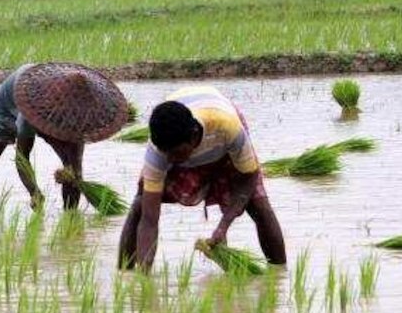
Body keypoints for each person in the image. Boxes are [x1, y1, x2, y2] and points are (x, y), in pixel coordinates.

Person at [118, 86, 287, 271]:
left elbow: (249, 176)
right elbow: (149, 220)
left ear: (193, 137)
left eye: (175, 153)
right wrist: (143, 282)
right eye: (165, 154)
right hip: (183, 128)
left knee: (259, 205)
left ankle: (280, 274)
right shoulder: (159, 151)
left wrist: (223, 227)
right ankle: (125, 273)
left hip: (221, 136)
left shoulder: (227, 127)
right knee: (140, 205)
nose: (170, 160)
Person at [0, 62, 129, 214]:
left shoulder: (79, 117)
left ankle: (70, 219)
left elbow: (75, 170)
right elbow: (21, 158)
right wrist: (34, 191)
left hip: (56, 112)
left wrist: (70, 173)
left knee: (73, 172)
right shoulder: (33, 107)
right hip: (7, 108)